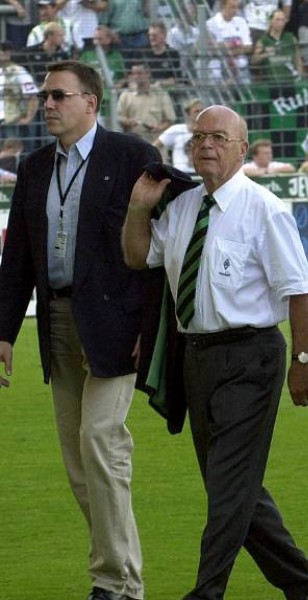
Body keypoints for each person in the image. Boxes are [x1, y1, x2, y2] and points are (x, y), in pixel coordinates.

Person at [121, 103, 308, 600]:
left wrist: (303, 363)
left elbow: (301, 292)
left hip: (251, 355)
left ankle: (207, 592)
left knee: (228, 486)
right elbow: (137, 256)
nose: (207, 146)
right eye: (199, 138)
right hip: (196, 357)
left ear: (242, 148)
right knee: (232, 487)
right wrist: (137, 208)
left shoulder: (265, 208)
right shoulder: (178, 207)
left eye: (219, 137)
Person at [0, 59, 161, 600]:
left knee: (101, 441)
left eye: (58, 96)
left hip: (117, 324)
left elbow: (155, 253)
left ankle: (117, 583)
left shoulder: (135, 156)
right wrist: (3, 330)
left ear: (90, 103)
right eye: (45, 96)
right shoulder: (34, 166)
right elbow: (18, 256)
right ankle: (115, 579)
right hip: (59, 323)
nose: (47, 104)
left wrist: (150, 326)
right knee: (79, 466)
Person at [116, 62, 176, 144]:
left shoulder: (161, 94)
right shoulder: (126, 95)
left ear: (148, 74)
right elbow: (118, 117)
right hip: (132, 144)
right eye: (134, 74)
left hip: (155, 144)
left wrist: (159, 128)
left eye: (139, 73)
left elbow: (170, 119)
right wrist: (127, 121)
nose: (136, 76)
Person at [0, 42, 39, 151]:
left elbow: (33, 96)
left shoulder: (20, 72)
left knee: (14, 156)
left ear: (7, 53)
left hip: (13, 122)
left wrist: (28, 118)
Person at [206, 0, 253, 85]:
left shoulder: (241, 22)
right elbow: (212, 50)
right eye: (232, 7)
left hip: (240, 65)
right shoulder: (211, 24)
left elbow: (248, 47)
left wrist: (225, 48)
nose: (235, 10)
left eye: (237, 7)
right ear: (223, 6)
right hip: (219, 65)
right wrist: (235, 45)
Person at [154, 97, 204, 173]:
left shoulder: (210, 132)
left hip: (202, 175)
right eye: (196, 111)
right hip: (181, 174)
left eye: (202, 111)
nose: (200, 114)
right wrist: (162, 163)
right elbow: (154, 146)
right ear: (188, 113)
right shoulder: (176, 129)